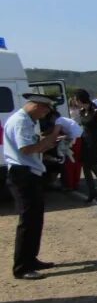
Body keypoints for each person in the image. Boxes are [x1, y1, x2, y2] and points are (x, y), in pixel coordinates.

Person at [3, 93, 63, 279]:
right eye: (45, 111)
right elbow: (26, 149)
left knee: (35, 220)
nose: (44, 115)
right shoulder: (21, 121)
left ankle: (31, 259)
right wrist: (51, 137)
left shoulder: (27, 121)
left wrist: (46, 143)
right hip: (23, 174)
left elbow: (33, 146)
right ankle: (22, 267)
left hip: (29, 173)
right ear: (37, 106)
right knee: (28, 222)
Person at [75, 89, 97, 202]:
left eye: (76, 99)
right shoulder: (82, 111)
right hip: (85, 140)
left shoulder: (96, 111)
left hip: (95, 141)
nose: (75, 102)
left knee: (93, 166)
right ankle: (92, 192)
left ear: (80, 100)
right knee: (85, 166)